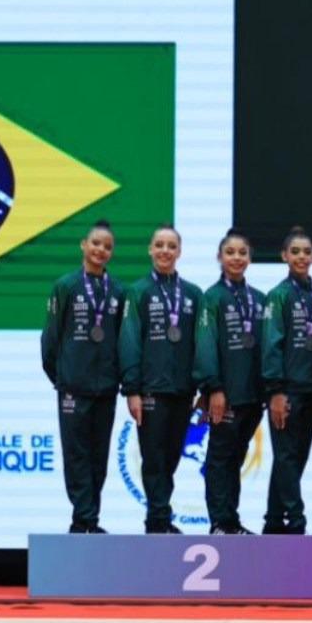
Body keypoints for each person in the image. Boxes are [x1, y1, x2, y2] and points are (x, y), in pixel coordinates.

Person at [42, 219, 126, 533]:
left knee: (98, 458)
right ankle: (83, 521)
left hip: (105, 388)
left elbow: (123, 340)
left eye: (107, 246)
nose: (100, 250)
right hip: (73, 389)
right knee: (76, 456)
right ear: (83, 245)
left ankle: (89, 520)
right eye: (96, 243)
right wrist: (63, 378)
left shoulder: (119, 291)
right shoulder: (65, 286)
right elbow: (50, 341)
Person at [119, 224, 203, 533]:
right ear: (150, 250)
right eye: (159, 245)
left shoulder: (193, 294)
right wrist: (132, 389)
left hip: (183, 391)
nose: (165, 251)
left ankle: (159, 516)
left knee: (170, 459)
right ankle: (157, 520)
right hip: (150, 390)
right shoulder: (138, 292)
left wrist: (201, 385)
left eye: (171, 246)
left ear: (179, 252)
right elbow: (129, 342)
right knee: (153, 459)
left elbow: (199, 343)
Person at [193, 229, 267, 535]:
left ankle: (232, 520)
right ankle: (219, 523)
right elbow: (205, 344)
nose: (237, 258)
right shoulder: (211, 298)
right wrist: (214, 389)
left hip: (253, 395)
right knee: (220, 458)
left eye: (242, 253)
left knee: (236, 458)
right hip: (226, 395)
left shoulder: (261, 300)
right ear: (220, 258)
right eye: (230, 253)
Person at [260, 226, 312, 533]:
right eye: (295, 252)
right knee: (286, 456)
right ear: (284, 256)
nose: (301, 257)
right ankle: (295, 518)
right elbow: (271, 344)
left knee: (295, 459)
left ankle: (273, 521)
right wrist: (275, 390)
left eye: (306, 252)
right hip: (286, 392)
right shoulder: (278, 296)